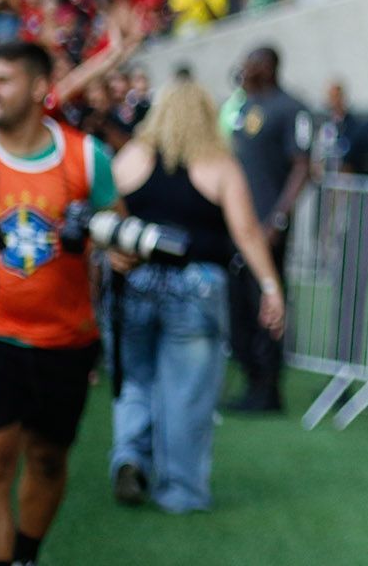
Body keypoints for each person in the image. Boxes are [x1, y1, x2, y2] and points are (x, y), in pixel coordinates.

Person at [107, 80, 286, 513]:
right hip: (197, 283)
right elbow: (245, 231)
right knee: (186, 392)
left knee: (135, 379)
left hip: (137, 281)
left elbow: (108, 215)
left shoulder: (131, 158)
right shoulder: (219, 165)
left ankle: (130, 455)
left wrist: (114, 253)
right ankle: (180, 490)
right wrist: (270, 285)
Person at [0, 41, 117, 566]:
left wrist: (115, 245)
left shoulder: (85, 155)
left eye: (2, 81)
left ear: (39, 88)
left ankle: (26, 554)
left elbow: (116, 227)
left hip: (67, 338)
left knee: (47, 458)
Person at [220, 46, 311, 413]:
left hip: (265, 225)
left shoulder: (290, 108)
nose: (244, 68)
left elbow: (302, 167)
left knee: (267, 302)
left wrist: (279, 217)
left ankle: (268, 386)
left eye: (251, 63)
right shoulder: (242, 106)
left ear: (269, 67)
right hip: (236, 223)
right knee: (238, 303)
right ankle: (250, 376)